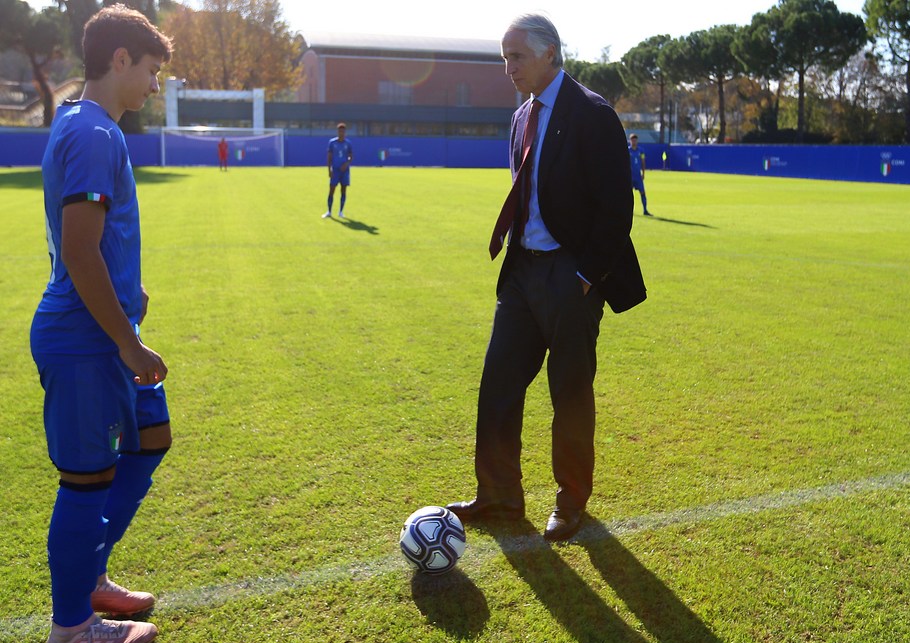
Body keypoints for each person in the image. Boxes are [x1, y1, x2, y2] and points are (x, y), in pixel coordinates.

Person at [446, 13, 646, 542]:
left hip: (570, 274)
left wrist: (584, 277)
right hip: (522, 273)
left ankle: (571, 501)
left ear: (550, 53)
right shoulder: (520, 117)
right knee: (498, 386)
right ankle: (499, 496)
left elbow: (615, 209)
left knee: (570, 394)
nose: (507, 66)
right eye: (504, 56)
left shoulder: (591, 113)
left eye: (516, 56)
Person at [30, 5, 173, 642]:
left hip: (101, 331)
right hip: (88, 341)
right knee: (88, 480)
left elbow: (79, 244)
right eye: (150, 70)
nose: (154, 85)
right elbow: (79, 249)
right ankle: (73, 628)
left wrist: (126, 287)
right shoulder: (91, 132)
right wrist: (126, 338)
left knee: (151, 438)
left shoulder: (86, 125)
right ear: (120, 60)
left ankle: (90, 574)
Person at [322, 122, 353, 218]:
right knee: (331, 190)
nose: (341, 133)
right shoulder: (332, 142)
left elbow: (351, 156)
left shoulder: (348, 143)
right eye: (340, 131)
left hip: (344, 171)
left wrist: (347, 163)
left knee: (343, 190)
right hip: (335, 170)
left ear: (345, 132)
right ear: (337, 132)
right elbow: (329, 157)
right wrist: (329, 169)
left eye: (343, 131)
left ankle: (341, 212)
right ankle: (329, 211)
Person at [629, 133, 652, 216]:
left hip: (638, 176)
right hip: (630, 176)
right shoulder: (628, 151)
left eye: (635, 140)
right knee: (629, 195)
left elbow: (643, 162)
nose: (634, 141)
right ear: (630, 141)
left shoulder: (641, 150)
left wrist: (643, 173)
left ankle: (645, 210)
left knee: (642, 192)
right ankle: (629, 211)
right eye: (632, 140)